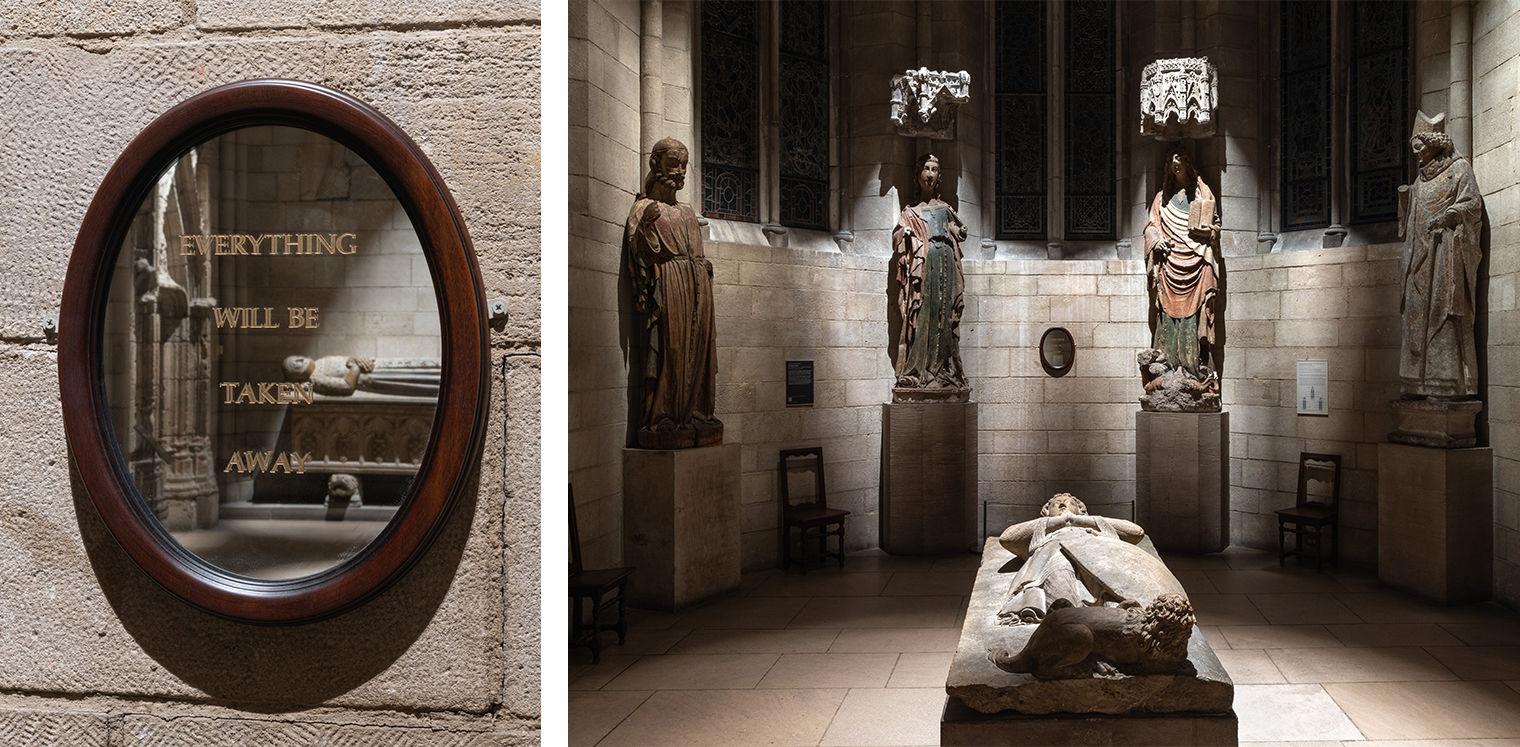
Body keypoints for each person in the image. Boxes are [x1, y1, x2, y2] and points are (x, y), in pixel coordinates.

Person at [624, 138, 723, 449]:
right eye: (673, 163)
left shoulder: (688, 212)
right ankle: (663, 414)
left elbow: (697, 251)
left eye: (683, 164)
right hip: (670, 287)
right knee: (673, 349)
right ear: (656, 165)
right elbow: (639, 257)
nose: (680, 171)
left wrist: (704, 267)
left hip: (698, 289)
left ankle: (696, 412)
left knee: (700, 350)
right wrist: (645, 230)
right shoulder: (644, 208)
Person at [1397, 111, 1484, 399]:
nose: (1416, 155)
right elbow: (1410, 221)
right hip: (1418, 259)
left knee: (1443, 314)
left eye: (1419, 148)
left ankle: (1445, 382)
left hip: (1445, 257)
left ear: (1433, 143)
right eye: (1413, 150)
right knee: (1415, 311)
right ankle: (1416, 383)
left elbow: (1472, 205)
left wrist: (1450, 215)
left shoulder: (1460, 169)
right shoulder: (1420, 181)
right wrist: (1406, 201)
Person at [997, 493, 1187, 624]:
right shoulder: (1044, 527)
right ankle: (1067, 622)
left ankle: (1117, 621)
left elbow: (1136, 532)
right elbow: (1007, 538)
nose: (1063, 504)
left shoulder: (1092, 524)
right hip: (1056, 551)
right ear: (1046, 511)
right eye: (1057, 503)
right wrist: (1054, 522)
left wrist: (1081, 520)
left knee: (1107, 581)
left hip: (1096, 552)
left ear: (1081, 509)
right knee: (1059, 575)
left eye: (1069, 502)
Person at [890, 153, 969, 399]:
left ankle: (944, 369)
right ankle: (919, 369)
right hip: (924, 269)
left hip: (945, 264)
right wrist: (906, 235)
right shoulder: (910, 212)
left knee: (943, 317)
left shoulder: (945, 209)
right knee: (923, 314)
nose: (930, 174)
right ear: (918, 174)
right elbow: (897, 238)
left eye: (934, 169)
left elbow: (957, 230)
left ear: (939, 176)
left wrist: (959, 230)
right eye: (926, 168)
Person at [1143, 148, 1222, 384]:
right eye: (1173, 166)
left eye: (1180, 165)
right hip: (1169, 263)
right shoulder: (1161, 198)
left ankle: (1193, 365)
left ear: (1188, 166)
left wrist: (1210, 233)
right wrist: (1156, 242)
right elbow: (1150, 226)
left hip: (1196, 260)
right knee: (1166, 315)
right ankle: (1166, 363)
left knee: (1196, 314)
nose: (1176, 169)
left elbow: (1216, 225)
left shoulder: (1202, 195)